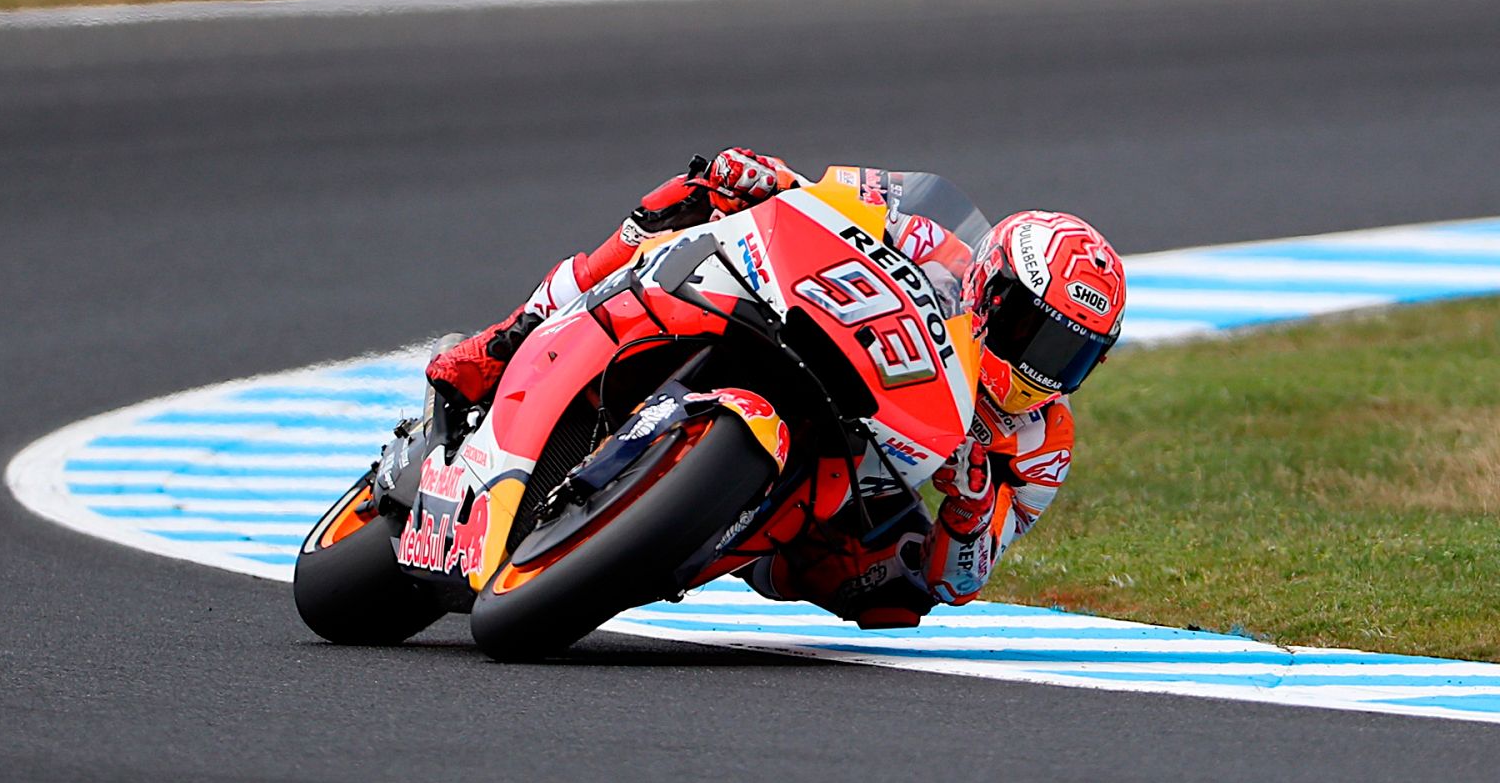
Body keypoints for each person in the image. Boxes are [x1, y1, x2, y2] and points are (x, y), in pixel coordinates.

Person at [426, 148, 1127, 626]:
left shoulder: (1042, 445)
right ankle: (506, 341)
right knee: (694, 198)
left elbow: (959, 582)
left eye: (1070, 355)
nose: (1044, 369)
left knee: (898, 593)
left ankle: (692, 533)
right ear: (993, 289)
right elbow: (826, 197)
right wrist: (770, 178)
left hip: (850, 476)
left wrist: (971, 508)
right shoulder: (932, 243)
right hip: (802, 332)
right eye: (1040, 336)